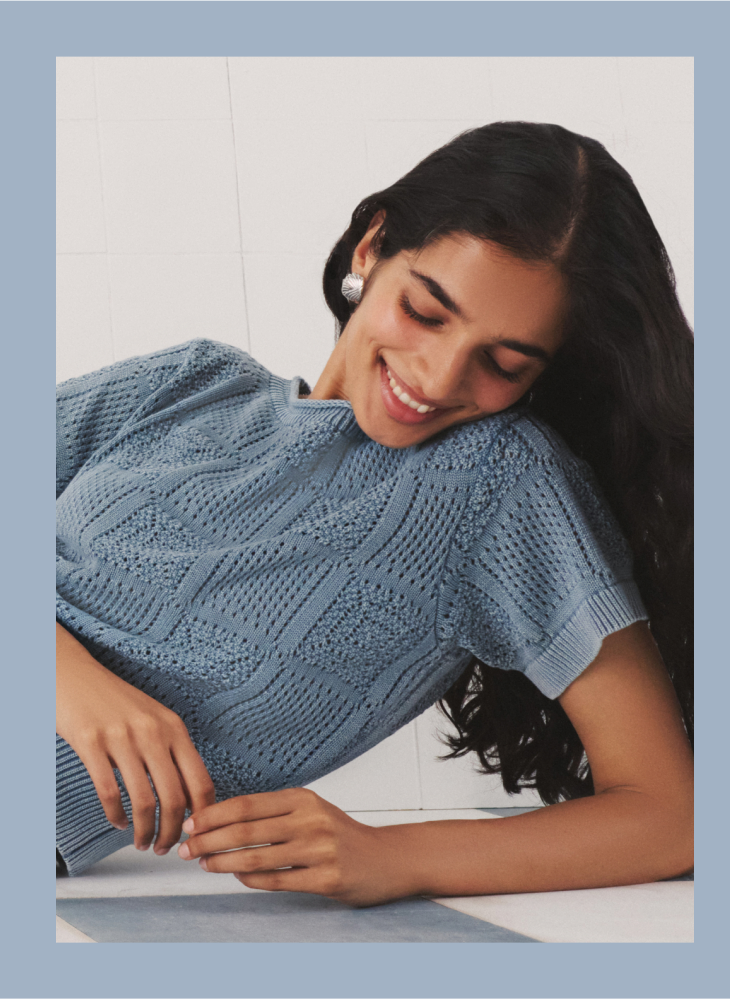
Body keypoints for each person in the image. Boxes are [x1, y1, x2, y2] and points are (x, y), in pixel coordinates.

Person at [56, 121, 693, 906]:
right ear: (371, 248)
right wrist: (61, 672)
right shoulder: (193, 381)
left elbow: (670, 814)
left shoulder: (498, 483)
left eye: (502, 362)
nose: (437, 375)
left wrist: (394, 857)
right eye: (427, 311)